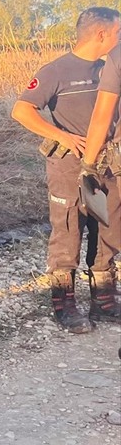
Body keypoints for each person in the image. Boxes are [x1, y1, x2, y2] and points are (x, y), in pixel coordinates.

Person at [11, 6, 121, 333]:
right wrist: (61, 136)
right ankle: (64, 304)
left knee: (107, 229)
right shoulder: (57, 71)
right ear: (101, 34)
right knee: (69, 232)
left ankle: (104, 301)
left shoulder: (110, 68)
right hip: (69, 167)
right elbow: (22, 110)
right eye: (118, 32)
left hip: (107, 165)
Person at [78, 39, 121, 324]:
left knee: (110, 222)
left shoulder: (117, 55)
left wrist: (88, 164)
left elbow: (103, 114)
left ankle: (103, 298)